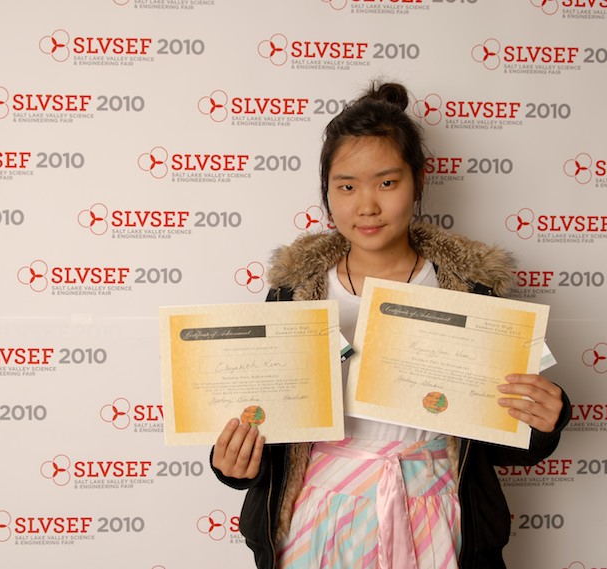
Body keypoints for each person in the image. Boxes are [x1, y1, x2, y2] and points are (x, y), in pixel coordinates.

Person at [210, 81, 570, 569]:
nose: (367, 206)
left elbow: (502, 444)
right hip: (318, 517)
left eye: (386, 183)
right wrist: (236, 463)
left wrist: (544, 419)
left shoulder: (471, 291)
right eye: (346, 186)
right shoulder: (291, 295)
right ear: (326, 191)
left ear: (418, 181)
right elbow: (266, 429)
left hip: (437, 515)